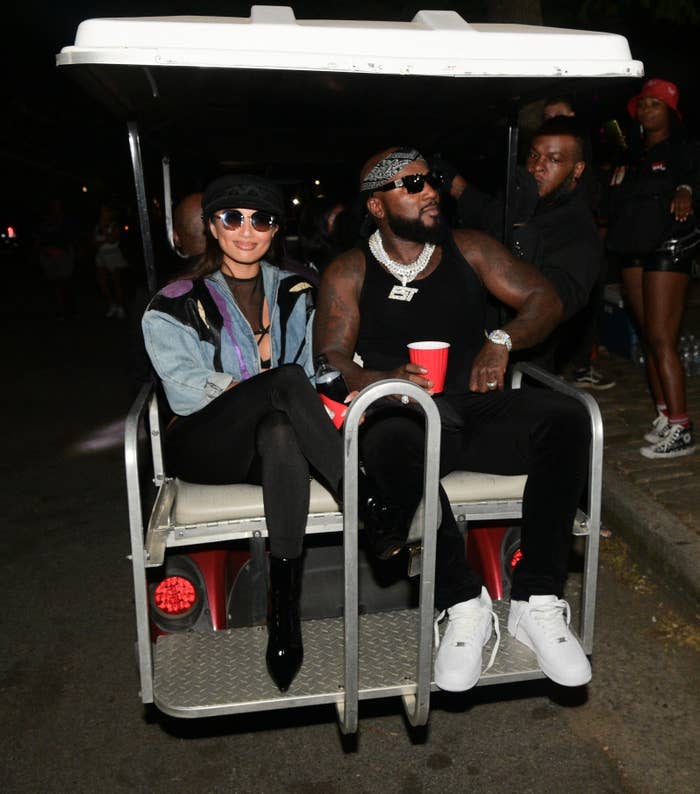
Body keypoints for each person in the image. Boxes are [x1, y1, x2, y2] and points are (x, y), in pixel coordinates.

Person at [314, 146, 593, 692]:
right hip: (399, 414)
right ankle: (462, 603)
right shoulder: (350, 269)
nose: (430, 192)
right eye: (412, 184)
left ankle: (536, 600)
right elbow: (331, 358)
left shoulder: (469, 249)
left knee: (565, 416)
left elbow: (545, 298)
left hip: (469, 410)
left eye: (432, 180)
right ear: (376, 205)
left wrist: (502, 340)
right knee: (389, 440)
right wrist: (380, 380)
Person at [142, 174, 346, 692]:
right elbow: (186, 394)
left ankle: (284, 609)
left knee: (280, 427)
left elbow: (316, 375)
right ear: (212, 226)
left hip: (272, 443)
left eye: (262, 219)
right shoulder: (174, 301)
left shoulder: (299, 292)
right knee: (284, 385)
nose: (247, 231)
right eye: (232, 217)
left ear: (276, 230)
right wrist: (261, 387)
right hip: (202, 443)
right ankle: (361, 493)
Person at [449, 116, 604, 375]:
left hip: (523, 368)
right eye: (533, 156)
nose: (538, 167)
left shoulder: (578, 233)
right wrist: (454, 184)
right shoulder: (529, 203)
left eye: (554, 160)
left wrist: (501, 341)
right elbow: (488, 212)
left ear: (577, 169)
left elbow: (552, 305)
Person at [606, 79, 699, 458]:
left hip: (667, 247)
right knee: (648, 337)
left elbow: (691, 180)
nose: (646, 109)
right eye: (642, 104)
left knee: (662, 339)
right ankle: (663, 415)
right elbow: (611, 202)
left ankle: (682, 426)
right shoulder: (630, 155)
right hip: (631, 249)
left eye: (655, 104)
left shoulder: (683, 149)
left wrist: (687, 191)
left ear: (670, 113)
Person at [36, 197, 77, 321]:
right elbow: (40, 237)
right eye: (54, 203)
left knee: (65, 282)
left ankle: (70, 311)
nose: (55, 206)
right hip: (48, 255)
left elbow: (71, 238)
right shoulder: (46, 220)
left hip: (63, 255)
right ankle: (59, 310)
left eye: (58, 203)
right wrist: (41, 252)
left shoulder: (66, 220)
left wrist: (71, 253)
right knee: (54, 283)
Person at [94, 204, 129, 319]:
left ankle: (120, 307)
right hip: (101, 256)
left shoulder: (114, 225)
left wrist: (105, 237)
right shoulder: (97, 226)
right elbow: (94, 243)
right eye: (102, 212)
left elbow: (113, 239)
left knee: (116, 283)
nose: (104, 214)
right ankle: (112, 304)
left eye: (106, 211)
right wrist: (105, 239)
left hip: (113, 256)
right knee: (102, 283)